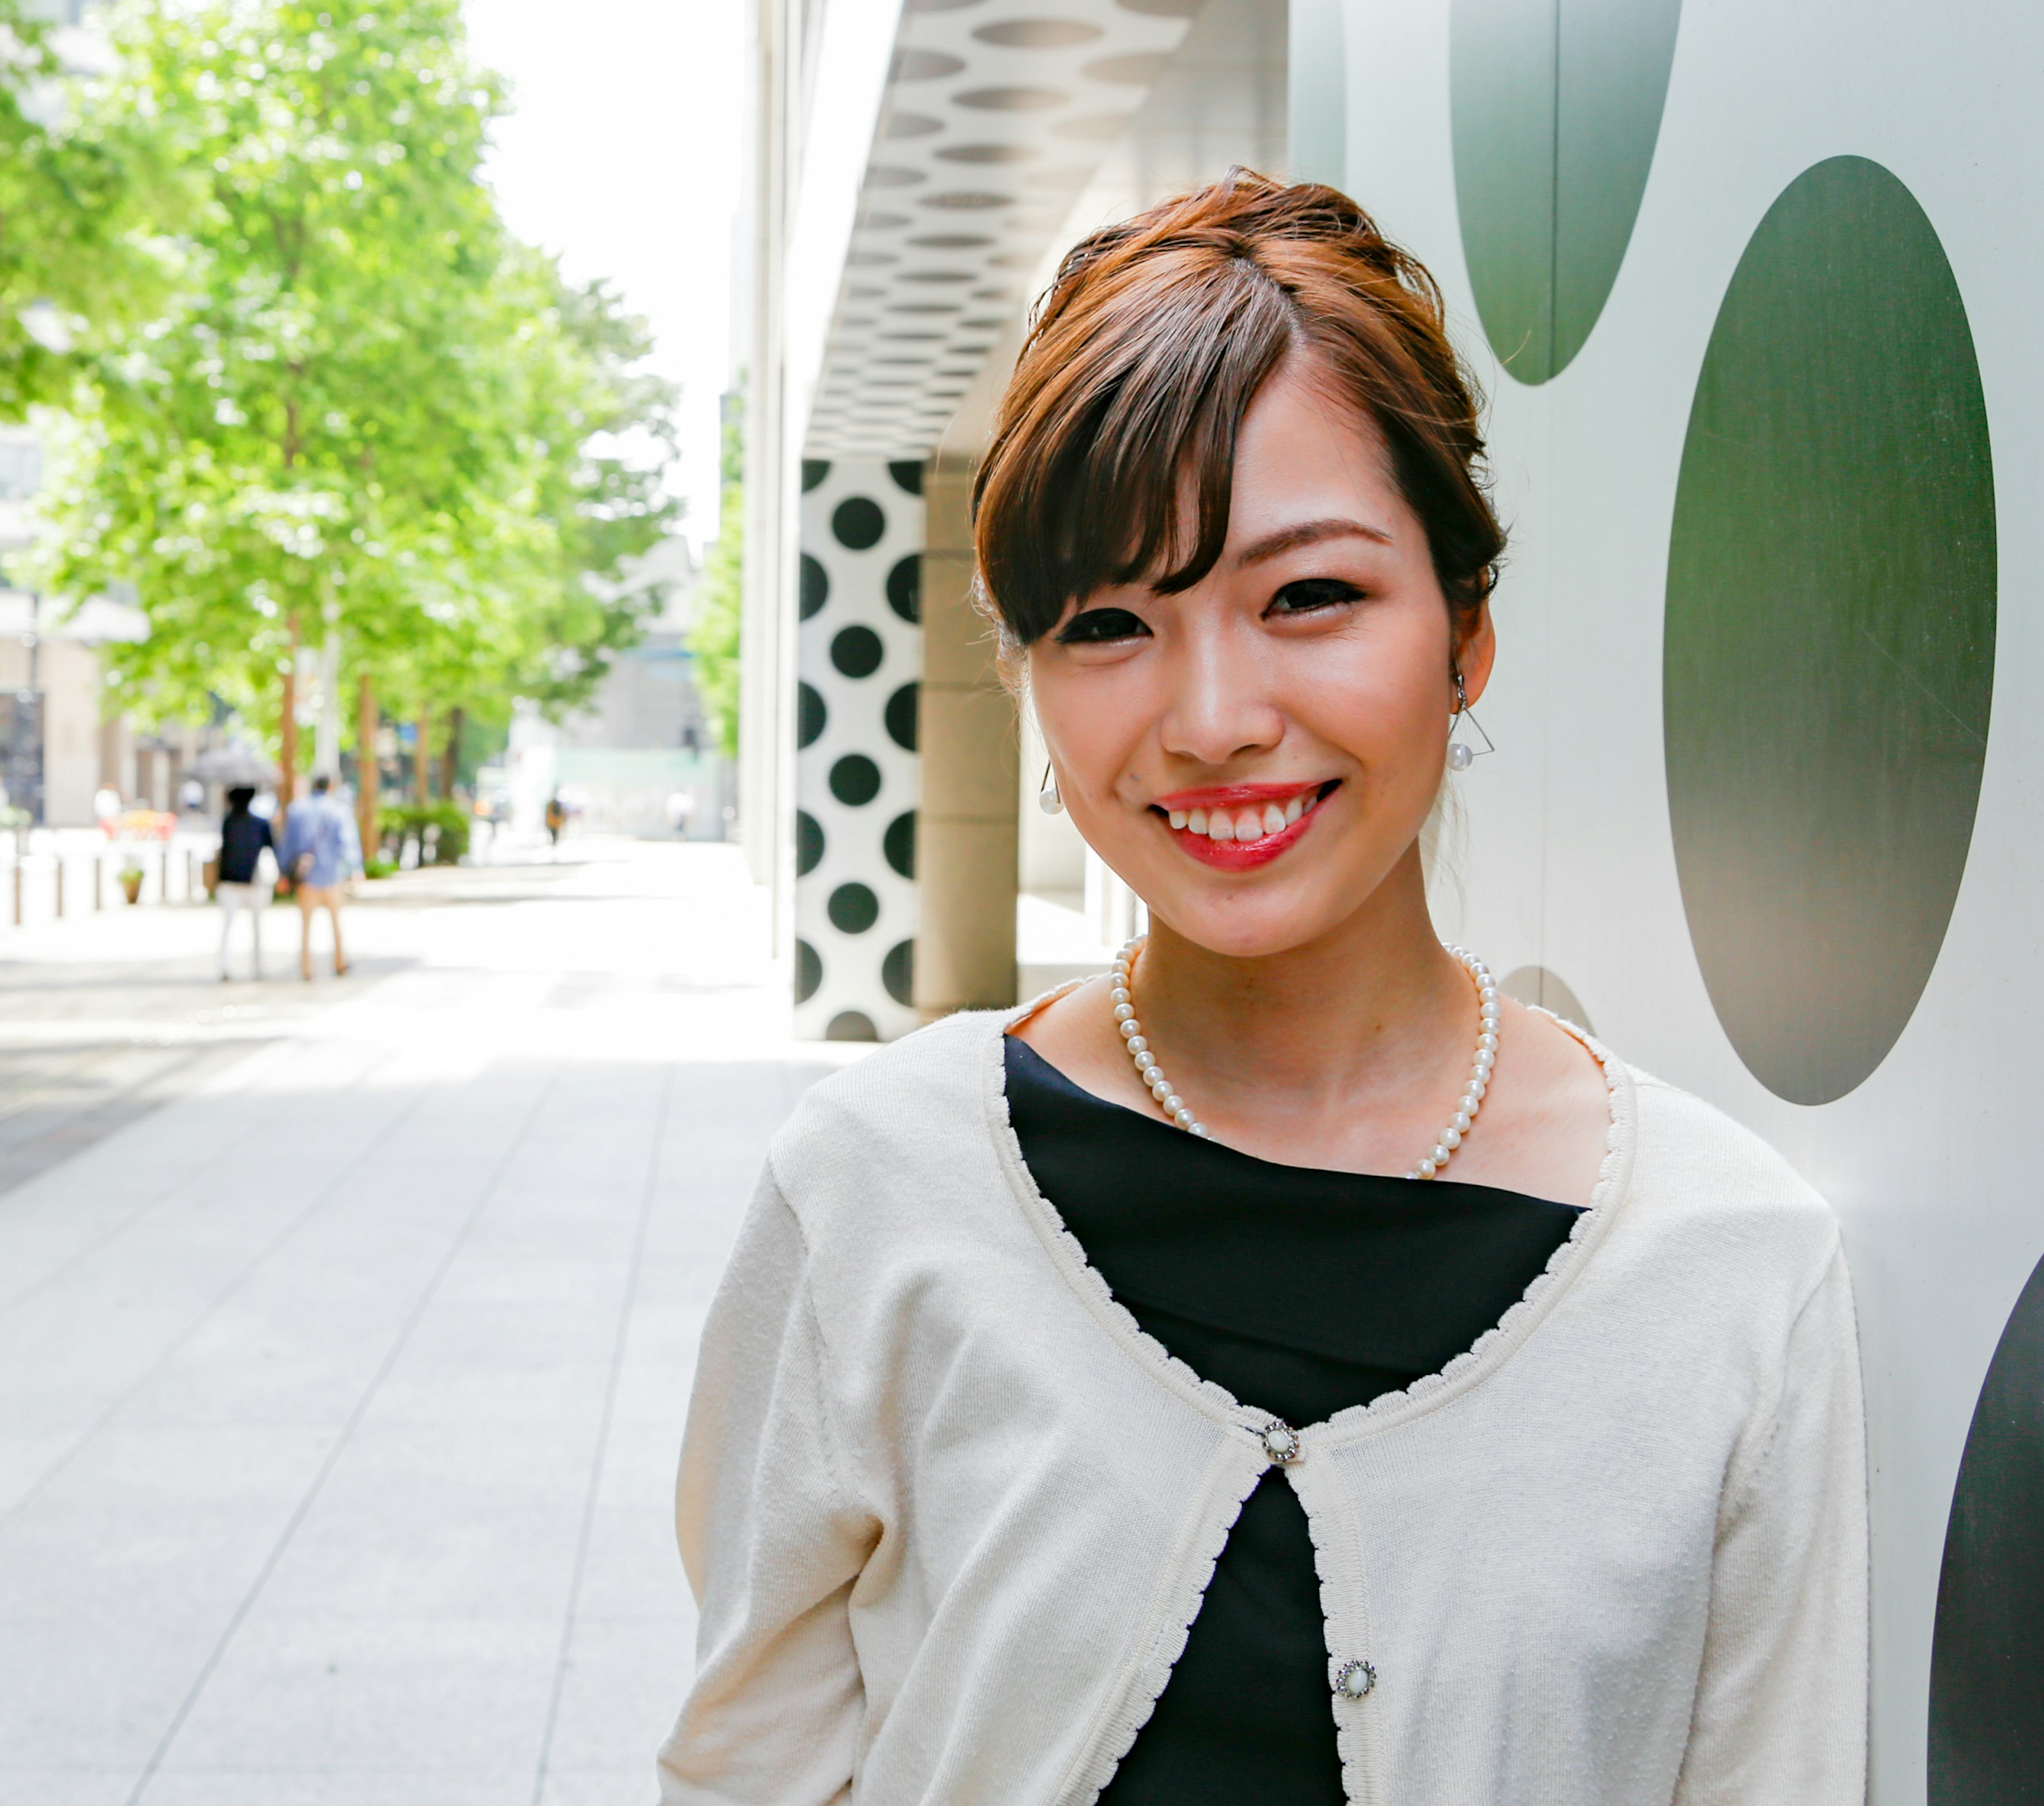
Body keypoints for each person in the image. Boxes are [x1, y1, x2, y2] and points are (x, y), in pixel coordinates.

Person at [660, 174, 1865, 1805]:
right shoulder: (871, 1186)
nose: (1213, 714)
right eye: (1106, 621)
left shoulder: (1724, 1266)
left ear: (1465, 633)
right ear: (1024, 673)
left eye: (1308, 594)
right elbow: (750, 1762)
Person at [279, 773, 360, 980]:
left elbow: (287, 844)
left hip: (306, 877)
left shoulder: (297, 809)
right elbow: (348, 842)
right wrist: (356, 869)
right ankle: (340, 962)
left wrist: (283, 873)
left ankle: (307, 968)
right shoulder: (339, 810)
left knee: (305, 927)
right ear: (331, 786)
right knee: (336, 923)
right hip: (332, 875)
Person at [214, 786, 276, 982]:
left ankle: (226, 967)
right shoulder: (260, 824)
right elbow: (272, 848)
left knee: (229, 927)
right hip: (253, 883)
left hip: (231, 881)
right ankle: (257, 968)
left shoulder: (228, 822)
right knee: (256, 928)